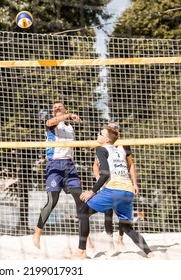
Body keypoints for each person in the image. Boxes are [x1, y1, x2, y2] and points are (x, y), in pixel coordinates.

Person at [74, 125, 154, 259]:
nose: (97, 134)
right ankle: (150, 253)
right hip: (128, 191)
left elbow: (104, 174)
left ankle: (81, 252)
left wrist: (92, 192)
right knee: (127, 228)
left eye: (100, 133)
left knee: (83, 212)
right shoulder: (121, 151)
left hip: (114, 189)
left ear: (106, 139)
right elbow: (127, 166)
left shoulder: (101, 149)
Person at [32, 101, 84, 249]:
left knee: (80, 201)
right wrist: (68, 115)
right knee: (52, 201)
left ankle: (86, 237)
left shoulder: (70, 126)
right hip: (54, 165)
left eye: (59, 106)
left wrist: (69, 117)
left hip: (69, 166)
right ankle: (37, 234)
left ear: (65, 109)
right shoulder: (52, 124)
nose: (56, 108)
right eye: (54, 107)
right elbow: (50, 121)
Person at [87, 121, 139, 248]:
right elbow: (96, 165)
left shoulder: (123, 146)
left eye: (115, 128)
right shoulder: (103, 147)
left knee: (123, 213)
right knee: (108, 212)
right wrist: (100, 180)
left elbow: (131, 165)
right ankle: (110, 241)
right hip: (110, 183)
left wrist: (135, 183)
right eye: (111, 128)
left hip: (122, 183)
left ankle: (120, 238)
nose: (113, 129)